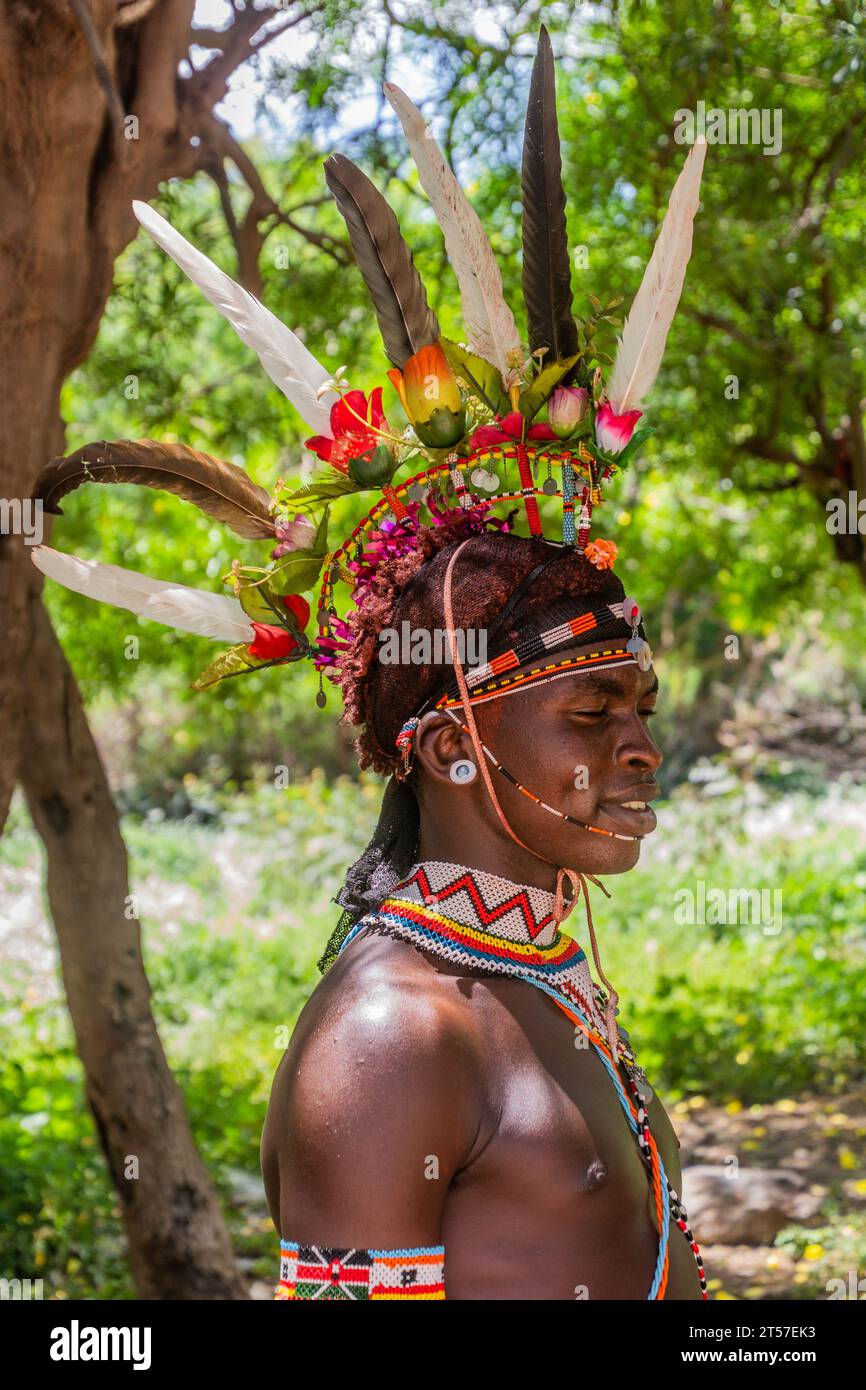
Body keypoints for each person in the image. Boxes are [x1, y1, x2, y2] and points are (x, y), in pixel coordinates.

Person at [30, 27, 708, 1300]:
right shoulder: (395, 1037)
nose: (638, 745)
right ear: (452, 741)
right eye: (591, 709)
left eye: (639, 706)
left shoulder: (541, 972)